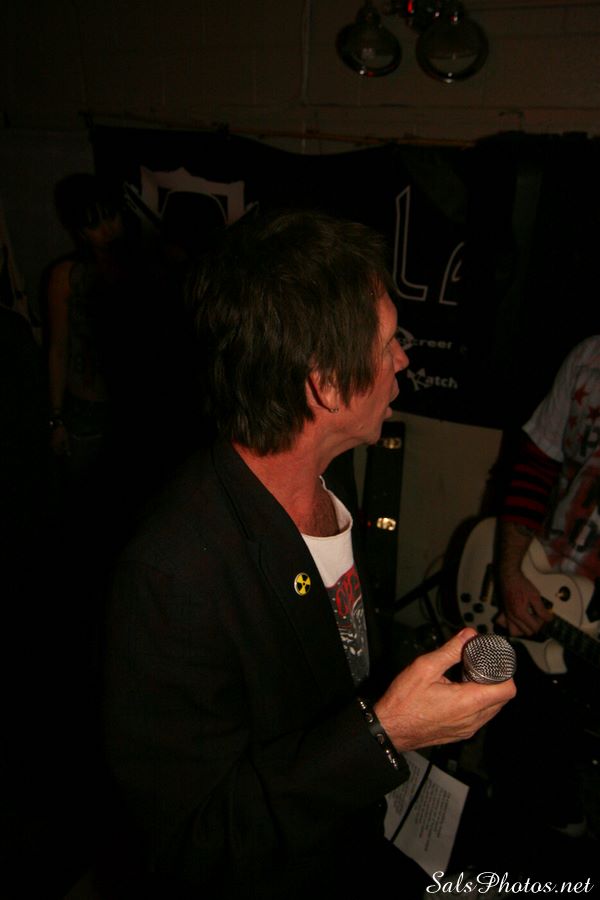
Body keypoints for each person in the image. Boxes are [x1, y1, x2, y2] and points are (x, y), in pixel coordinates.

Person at [102, 209, 515, 899]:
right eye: (387, 344)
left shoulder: (330, 473)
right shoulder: (173, 576)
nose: (402, 360)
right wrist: (385, 734)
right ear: (325, 386)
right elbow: (193, 845)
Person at [492, 335, 600, 845]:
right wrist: (511, 574)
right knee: (523, 758)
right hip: (545, 590)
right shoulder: (588, 357)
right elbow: (536, 464)